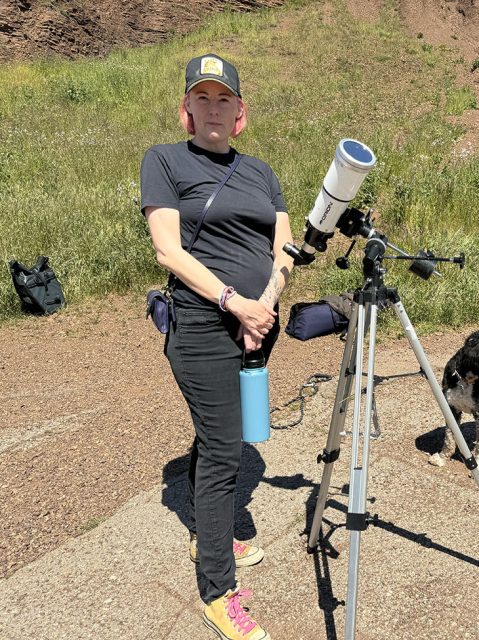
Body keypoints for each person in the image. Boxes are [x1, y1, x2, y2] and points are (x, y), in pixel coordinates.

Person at [141, 53, 292, 640]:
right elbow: (169, 252)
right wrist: (236, 303)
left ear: (240, 113)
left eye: (223, 99)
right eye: (201, 98)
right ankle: (217, 592)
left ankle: (212, 527)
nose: (212, 108)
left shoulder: (261, 172)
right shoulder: (165, 161)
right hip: (204, 326)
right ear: (185, 111)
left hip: (259, 321)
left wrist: (267, 302)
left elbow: (283, 247)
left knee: (216, 437)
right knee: (227, 448)